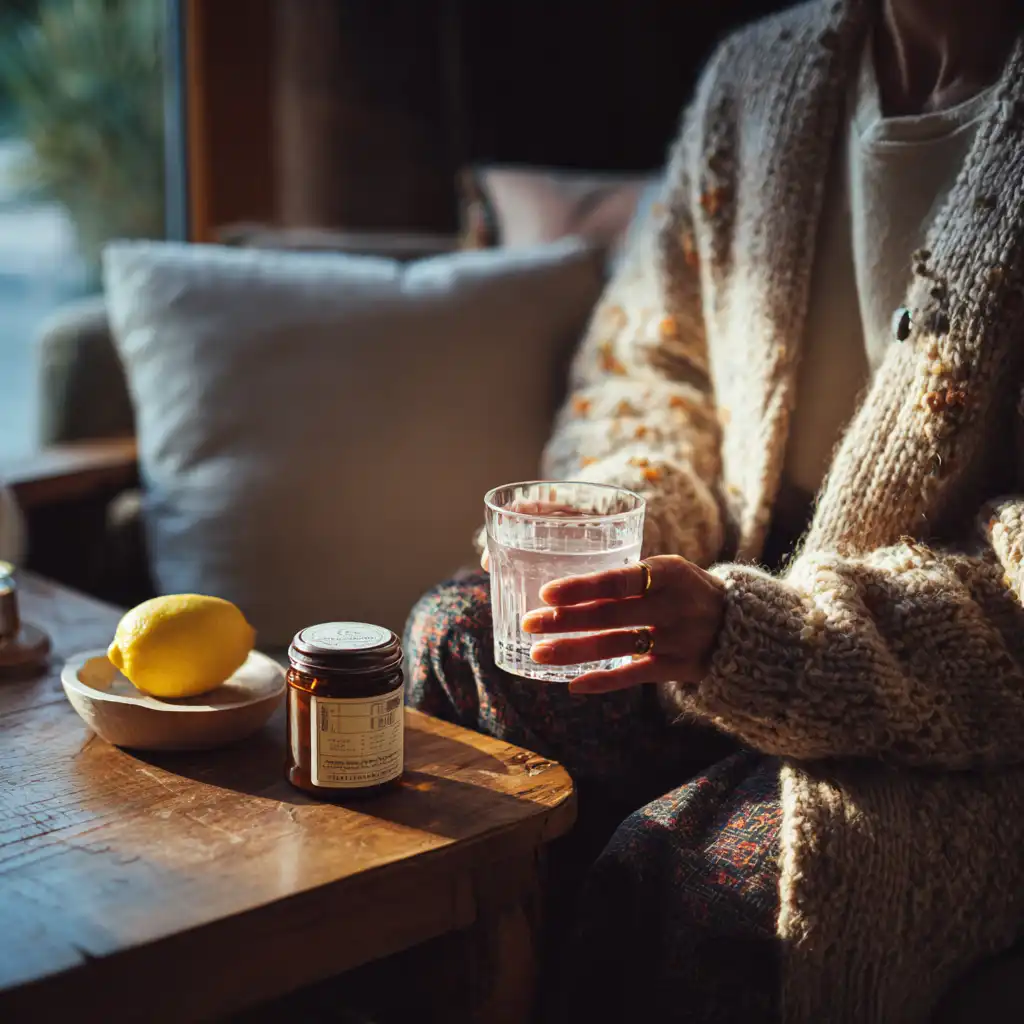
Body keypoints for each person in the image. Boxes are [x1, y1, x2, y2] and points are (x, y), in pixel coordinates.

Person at [405, 0, 1024, 1020]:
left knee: (680, 884)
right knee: (457, 638)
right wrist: (627, 530)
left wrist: (762, 639)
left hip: (958, 714)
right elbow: (652, 369)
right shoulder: (758, 75)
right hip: (719, 614)